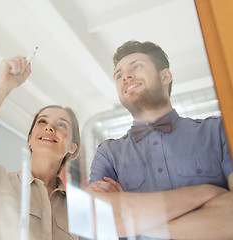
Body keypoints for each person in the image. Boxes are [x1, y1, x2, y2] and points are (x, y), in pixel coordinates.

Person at [87, 40, 233, 239]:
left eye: (136, 66)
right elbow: (100, 220)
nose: (125, 77)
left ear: (165, 76)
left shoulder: (218, 130)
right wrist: (207, 193)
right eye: (118, 75)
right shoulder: (108, 154)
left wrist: (135, 223)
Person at [0, 56, 81, 240]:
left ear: (72, 147)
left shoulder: (78, 214)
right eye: (42, 121)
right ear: (30, 139)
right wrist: (1, 87)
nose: (49, 127)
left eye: (62, 125)